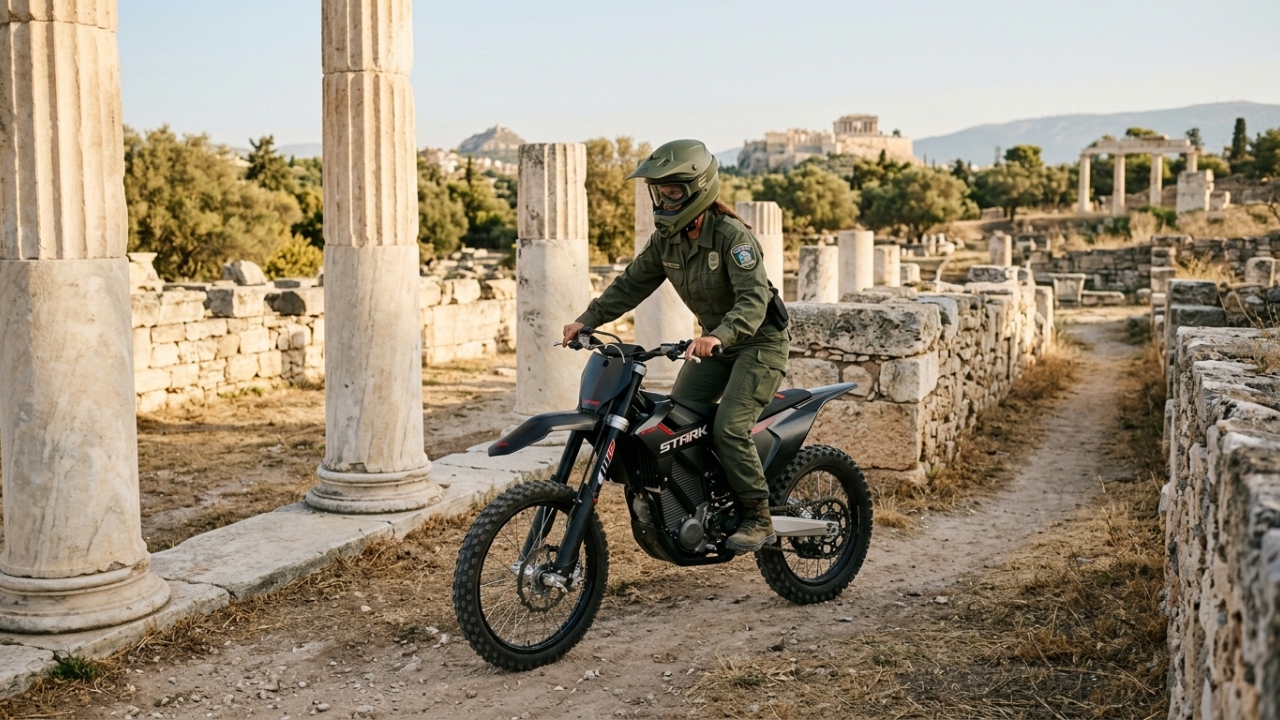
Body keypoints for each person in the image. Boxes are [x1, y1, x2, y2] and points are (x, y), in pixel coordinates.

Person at [561, 139, 789, 553]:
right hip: (714, 345)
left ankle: (758, 514)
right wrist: (587, 319)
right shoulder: (667, 239)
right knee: (676, 426)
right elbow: (632, 283)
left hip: (758, 343)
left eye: (672, 190)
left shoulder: (732, 237)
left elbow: (754, 301)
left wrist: (719, 336)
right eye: (658, 191)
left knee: (730, 427)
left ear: (697, 188)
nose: (663, 199)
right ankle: (703, 506)